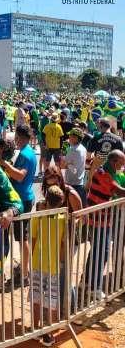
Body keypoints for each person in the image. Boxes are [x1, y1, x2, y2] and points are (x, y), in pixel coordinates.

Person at [82, 150, 125, 299]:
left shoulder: (105, 170)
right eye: (121, 163)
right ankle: (94, 288)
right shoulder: (104, 174)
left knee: (96, 251)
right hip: (99, 220)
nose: (122, 166)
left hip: (101, 219)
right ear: (114, 162)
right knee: (102, 253)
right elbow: (120, 192)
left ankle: (86, 281)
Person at [0, 124, 37, 285]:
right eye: (16, 138)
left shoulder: (27, 155)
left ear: (25, 138)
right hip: (20, 197)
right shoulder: (25, 152)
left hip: (23, 199)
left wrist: (5, 165)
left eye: (19, 138)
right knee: (20, 237)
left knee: (22, 237)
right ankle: (21, 271)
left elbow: (20, 176)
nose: (17, 141)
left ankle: (24, 273)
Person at [30, 187, 67, 347]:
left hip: (38, 262)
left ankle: (34, 328)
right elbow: (63, 244)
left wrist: (33, 258)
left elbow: (32, 238)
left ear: (46, 198)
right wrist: (61, 261)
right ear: (61, 202)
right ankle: (48, 332)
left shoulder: (38, 216)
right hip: (52, 266)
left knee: (36, 296)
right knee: (51, 300)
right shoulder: (62, 219)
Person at [61, 127, 88, 206]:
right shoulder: (83, 148)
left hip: (72, 184)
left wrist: (65, 162)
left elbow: (64, 166)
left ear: (76, 138)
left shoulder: (73, 150)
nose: (69, 138)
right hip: (80, 183)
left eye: (71, 136)